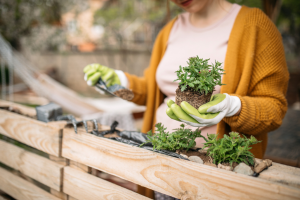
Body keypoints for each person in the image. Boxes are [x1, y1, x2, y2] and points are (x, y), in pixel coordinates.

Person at [83, 0, 289, 198]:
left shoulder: (255, 26)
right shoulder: (169, 30)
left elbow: (274, 110)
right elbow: (152, 94)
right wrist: (118, 85)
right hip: (161, 168)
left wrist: (232, 107)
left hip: (217, 177)